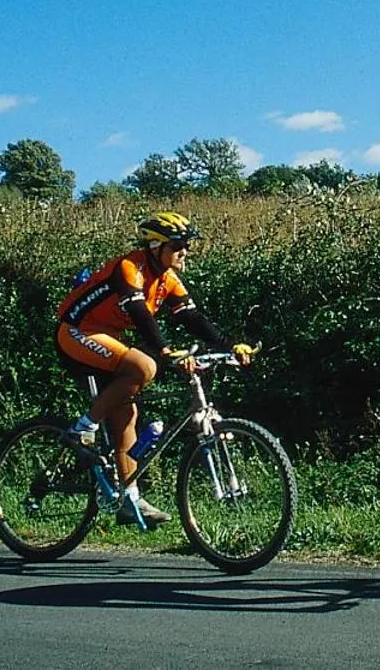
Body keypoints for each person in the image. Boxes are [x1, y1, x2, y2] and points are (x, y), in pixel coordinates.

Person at [56, 212, 254, 527]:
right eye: (177, 245)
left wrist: (230, 346)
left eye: (187, 245)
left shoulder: (167, 279)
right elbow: (140, 314)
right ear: (155, 246)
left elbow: (191, 317)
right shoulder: (129, 268)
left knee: (127, 415)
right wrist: (165, 351)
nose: (184, 251)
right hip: (77, 331)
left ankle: (128, 499)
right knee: (144, 367)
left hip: (108, 337)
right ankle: (83, 428)